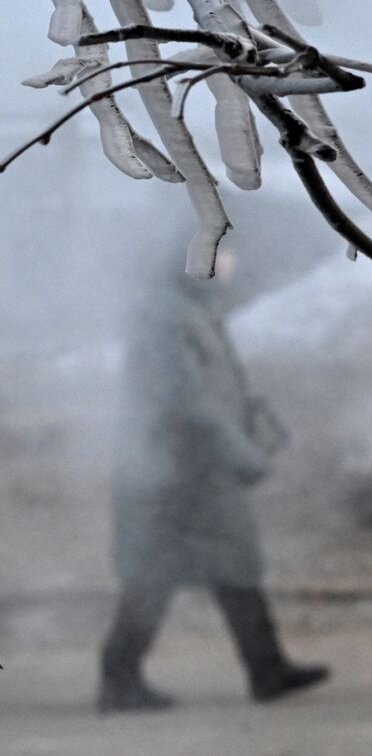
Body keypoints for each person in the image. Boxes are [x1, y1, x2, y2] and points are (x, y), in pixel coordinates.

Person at [98, 247, 329, 712]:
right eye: (223, 254)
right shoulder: (166, 318)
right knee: (155, 575)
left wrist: (249, 422)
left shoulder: (190, 311)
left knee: (232, 567)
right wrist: (241, 453)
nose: (231, 265)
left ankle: (267, 669)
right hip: (172, 474)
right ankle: (119, 677)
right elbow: (185, 402)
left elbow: (215, 389)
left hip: (197, 471)